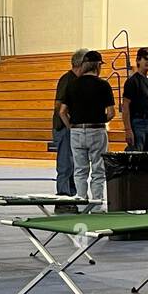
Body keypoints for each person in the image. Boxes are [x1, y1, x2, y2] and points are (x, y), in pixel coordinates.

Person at [58, 49, 115, 204]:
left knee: (80, 169)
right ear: (98, 66)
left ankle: (81, 201)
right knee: (98, 169)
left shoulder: (72, 84)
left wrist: (71, 127)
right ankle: (97, 204)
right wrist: (99, 119)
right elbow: (111, 113)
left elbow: (62, 111)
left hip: (76, 130)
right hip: (96, 129)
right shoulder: (103, 85)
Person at [53, 49, 88, 195]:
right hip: (65, 127)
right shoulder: (67, 80)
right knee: (66, 165)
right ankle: (63, 195)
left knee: (74, 165)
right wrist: (69, 125)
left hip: (72, 127)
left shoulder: (79, 81)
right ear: (81, 63)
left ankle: (72, 195)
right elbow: (58, 105)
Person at [121, 47, 148, 152]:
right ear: (138, 60)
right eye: (146, 58)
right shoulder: (132, 81)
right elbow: (125, 106)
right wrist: (128, 129)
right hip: (138, 123)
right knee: (137, 157)